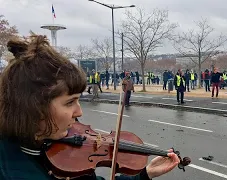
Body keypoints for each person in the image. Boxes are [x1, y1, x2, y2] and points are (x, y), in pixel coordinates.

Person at [0, 34, 180, 180]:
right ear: (32, 106)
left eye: (78, 100)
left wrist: (145, 174)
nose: (79, 112)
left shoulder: (64, 152)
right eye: (70, 102)